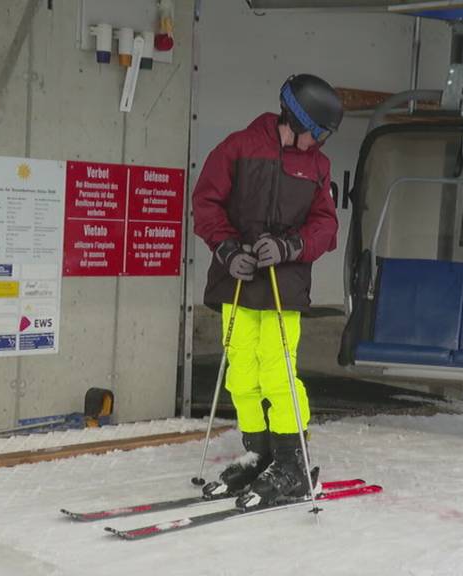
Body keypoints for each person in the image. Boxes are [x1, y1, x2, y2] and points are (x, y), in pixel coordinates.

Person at [192, 74, 343, 508]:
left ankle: (292, 462)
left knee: (278, 371)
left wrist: (291, 246)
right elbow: (206, 203)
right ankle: (259, 452)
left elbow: (325, 225)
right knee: (241, 371)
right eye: (317, 132)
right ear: (295, 119)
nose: (319, 143)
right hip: (238, 281)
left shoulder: (316, 167)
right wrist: (224, 248)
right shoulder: (237, 148)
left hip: (283, 284)